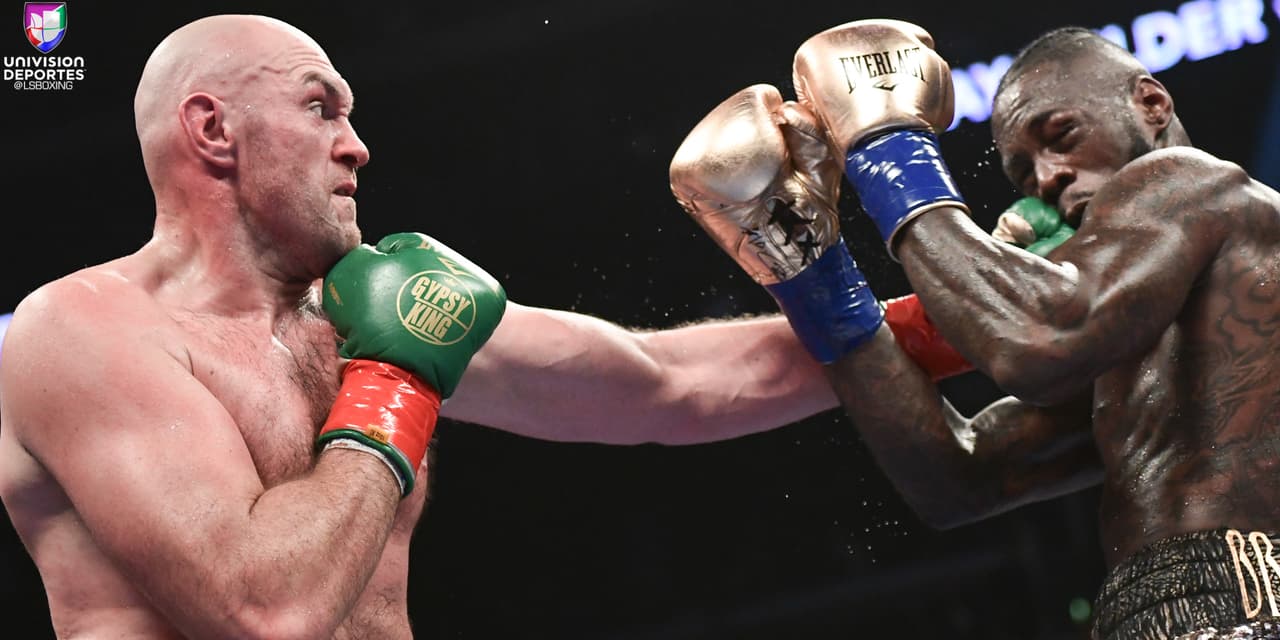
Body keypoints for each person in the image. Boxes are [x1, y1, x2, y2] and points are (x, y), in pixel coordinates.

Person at [0, 13, 978, 639]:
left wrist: (966, 320)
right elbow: (267, 608)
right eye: (319, 109)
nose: (357, 144)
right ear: (213, 131)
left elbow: (666, 384)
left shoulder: (361, 312)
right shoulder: (81, 332)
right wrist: (394, 382)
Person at [768, 18, 1280, 640]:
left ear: (1151, 104)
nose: (1047, 178)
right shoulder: (1165, 353)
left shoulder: (1195, 180)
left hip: (1250, 594)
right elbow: (961, 477)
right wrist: (811, 273)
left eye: (1061, 135)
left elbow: (1038, 340)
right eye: (1023, 173)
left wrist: (886, 148)